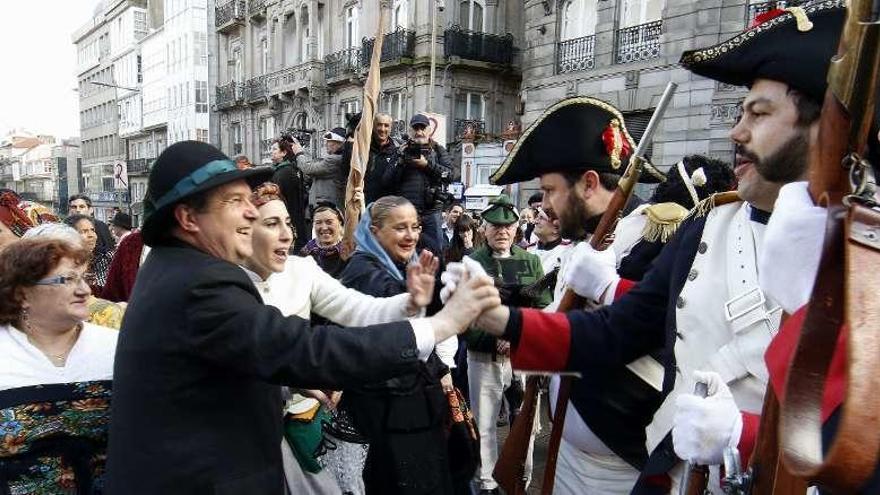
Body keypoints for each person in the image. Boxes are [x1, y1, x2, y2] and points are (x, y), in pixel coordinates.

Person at [461, 3, 843, 493]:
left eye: (761, 113)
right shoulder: (707, 229)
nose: (737, 133)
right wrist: (501, 319)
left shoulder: (863, 258)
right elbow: (616, 332)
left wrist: (744, 436)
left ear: (825, 129)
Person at [105, 141, 499, 494]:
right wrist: (443, 324)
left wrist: (410, 306)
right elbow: (302, 348)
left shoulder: (182, 268)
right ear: (189, 218)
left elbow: (344, 316)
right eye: (235, 201)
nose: (249, 212)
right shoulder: (199, 281)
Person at [243, 182, 441, 495]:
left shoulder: (301, 270)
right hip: (246, 432)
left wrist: (411, 303)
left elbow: (358, 309)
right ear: (243, 231)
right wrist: (288, 380)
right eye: (271, 224)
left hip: (306, 425)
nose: (286, 234)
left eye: (288, 223)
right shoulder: (224, 286)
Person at [338, 195, 461, 494]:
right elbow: (395, 320)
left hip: (411, 402)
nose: (411, 235)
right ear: (375, 230)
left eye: (416, 226)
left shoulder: (406, 264)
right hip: (385, 406)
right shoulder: (363, 271)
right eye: (400, 228)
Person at [0, 237, 118, 493]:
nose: (84, 290)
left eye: (83, 278)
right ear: (23, 294)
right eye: (67, 280)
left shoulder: (116, 347)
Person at [463, 194, 552, 495]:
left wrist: (515, 334)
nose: (502, 232)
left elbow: (543, 307)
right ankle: (486, 482)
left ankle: (521, 478)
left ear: (516, 229)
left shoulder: (531, 261)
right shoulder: (472, 264)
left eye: (508, 226)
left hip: (522, 355)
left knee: (525, 421)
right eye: (495, 227)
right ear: (484, 229)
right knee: (484, 420)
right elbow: (464, 315)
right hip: (482, 355)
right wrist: (493, 337)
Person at [383, 113, 453, 256]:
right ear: (410, 131)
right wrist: (401, 161)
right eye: (415, 128)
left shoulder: (438, 150)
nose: (419, 132)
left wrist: (427, 165)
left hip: (432, 211)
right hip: (408, 211)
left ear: (429, 130)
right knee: (405, 252)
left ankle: (436, 278)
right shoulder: (401, 151)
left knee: (436, 252)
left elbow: (450, 175)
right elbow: (386, 181)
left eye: (423, 128)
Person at [271, 133, 311, 252]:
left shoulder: (284, 173)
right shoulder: (288, 170)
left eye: (274, 149)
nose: (271, 152)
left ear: (284, 153)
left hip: (290, 223)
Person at [64, 214, 114, 296]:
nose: (91, 235)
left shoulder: (107, 258)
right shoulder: (61, 264)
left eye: (92, 230)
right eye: (84, 231)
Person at [299, 127, 348, 209]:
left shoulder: (334, 160)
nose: (326, 144)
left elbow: (307, 168)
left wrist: (299, 153)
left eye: (329, 141)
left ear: (339, 143)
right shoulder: (336, 158)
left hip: (327, 207)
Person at [300, 202, 348, 279]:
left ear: (339, 223)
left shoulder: (347, 252)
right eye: (318, 222)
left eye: (329, 222)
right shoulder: (306, 254)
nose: (324, 227)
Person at [527, 207, 571, 274]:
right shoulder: (529, 249)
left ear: (556, 228)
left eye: (541, 218)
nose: (535, 221)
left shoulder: (567, 252)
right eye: (537, 217)